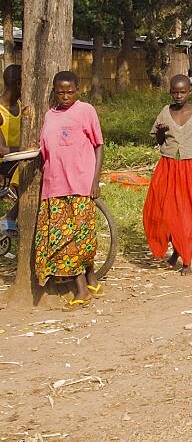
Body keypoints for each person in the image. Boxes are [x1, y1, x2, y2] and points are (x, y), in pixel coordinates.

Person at [34, 70, 105, 308]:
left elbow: (98, 146)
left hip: (81, 184)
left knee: (83, 238)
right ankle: (85, 285)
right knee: (66, 239)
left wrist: (95, 181)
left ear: (78, 89)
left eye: (70, 91)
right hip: (55, 187)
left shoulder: (86, 111)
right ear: (54, 91)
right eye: (60, 91)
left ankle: (86, 284)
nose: (65, 96)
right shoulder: (48, 116)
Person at [142, 75, 192, 275]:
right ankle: (173, 249)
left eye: (182, 92)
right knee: (161, 210)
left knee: (185, 213)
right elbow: (157, 140)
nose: (178, 95)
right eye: (175, 92)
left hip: (188, 167)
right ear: (170, 93)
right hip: (166, 166)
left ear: (189, 92)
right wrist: (160, 132)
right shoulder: (165, 113)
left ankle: (186, 260)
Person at [0, 64, 21, 236]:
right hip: (4, 163)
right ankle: (9, 217)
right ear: (19, 84)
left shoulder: (22, 106)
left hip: (19, 158)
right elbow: (2, 149)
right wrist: (25, 149)